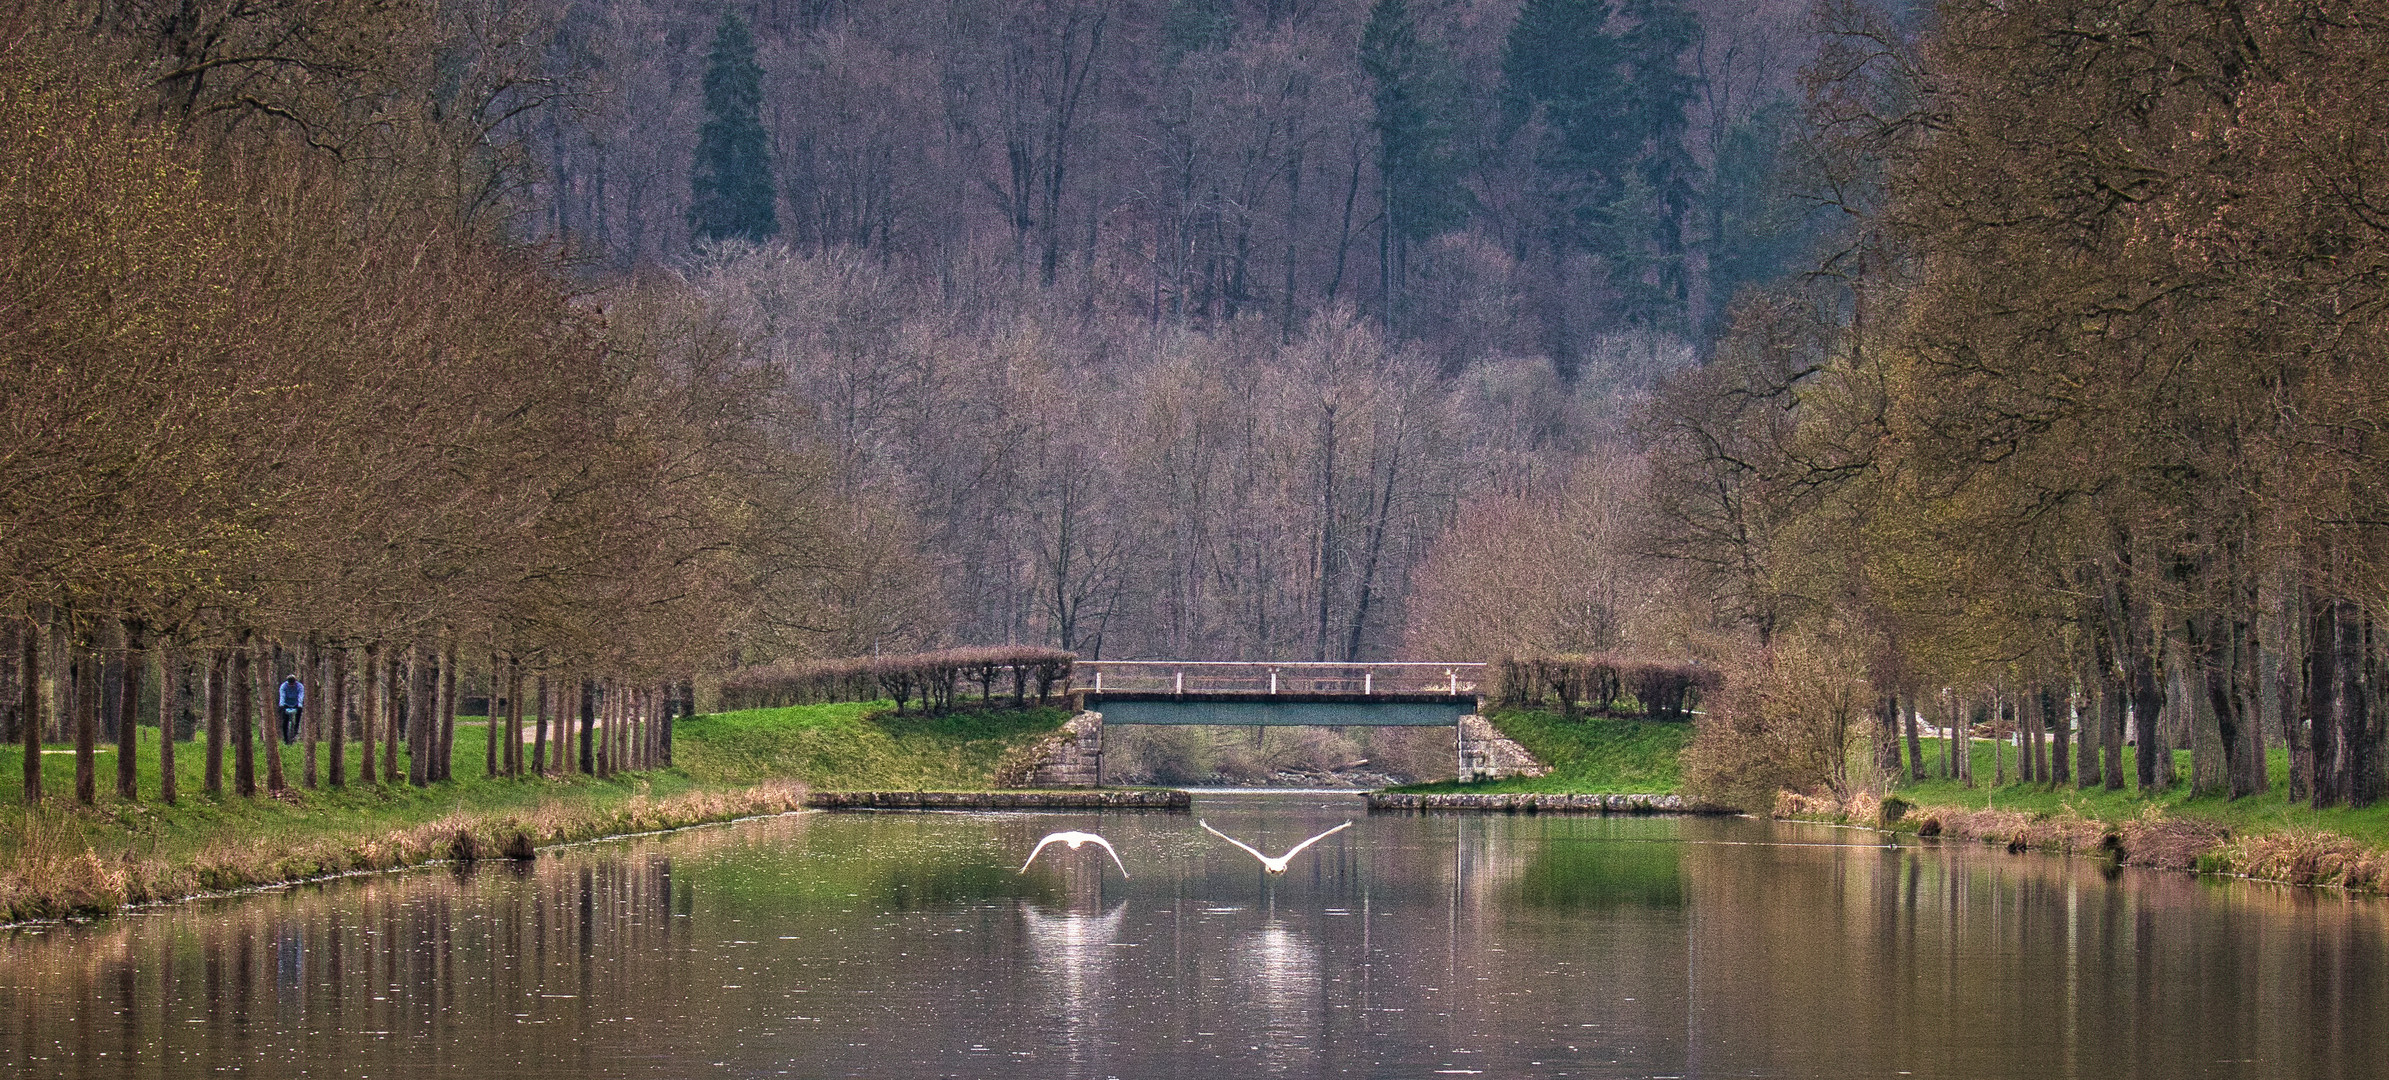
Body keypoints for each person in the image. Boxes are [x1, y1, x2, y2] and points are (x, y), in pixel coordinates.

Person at [278, 675, 305, 742]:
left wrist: (300, 704)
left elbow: (300, 695)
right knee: (285, 721)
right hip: (286, 704)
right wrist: (281, 704)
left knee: (298, 718)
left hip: (296, 704)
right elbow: (282, 695)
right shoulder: (283, 686)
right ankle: (285, 739)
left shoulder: (300, 686)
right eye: (290, 683)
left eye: (292, 683)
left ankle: (296, 732)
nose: (291, 685)